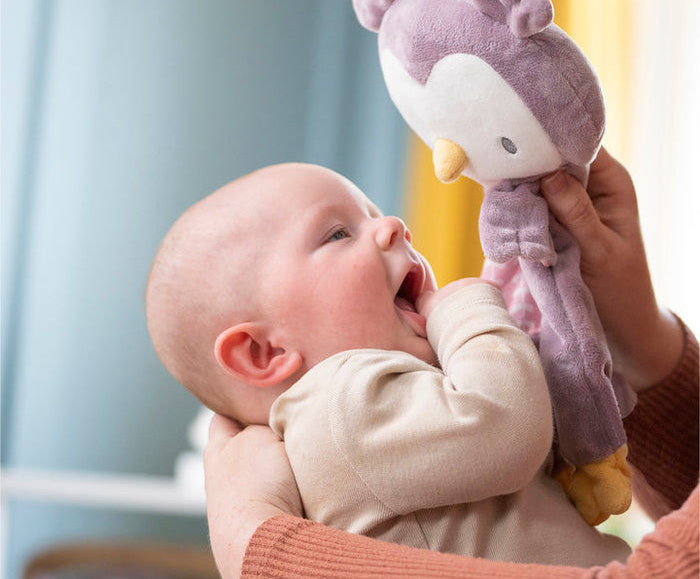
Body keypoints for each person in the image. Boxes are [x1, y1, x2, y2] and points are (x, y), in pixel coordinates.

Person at [203, 148, 699, 578]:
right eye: (337, 234)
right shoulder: (338, 402)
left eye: (370, 214)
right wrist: (475, 312)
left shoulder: (381, 397)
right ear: (264, 353)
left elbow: (510, 432)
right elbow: (506, 428)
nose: (393, 225)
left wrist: (252, 538)